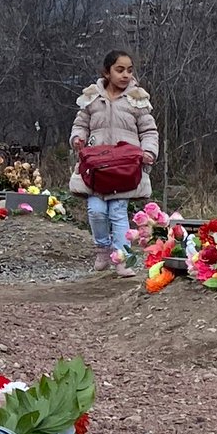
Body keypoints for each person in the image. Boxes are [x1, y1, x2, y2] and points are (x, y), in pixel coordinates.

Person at [69, 50, 159, 278]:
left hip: (124, 168)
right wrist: (77, 139)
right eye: (120, 70)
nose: (126, 75)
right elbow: (80, 125)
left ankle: (122, 258)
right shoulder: (91, 98)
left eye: (129, 70)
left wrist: (148, 152)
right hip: (97, 168)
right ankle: (102, 248)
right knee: (96, 211)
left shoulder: (137, 99)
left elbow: (149, 130)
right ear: (106, 72)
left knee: (118, 212)